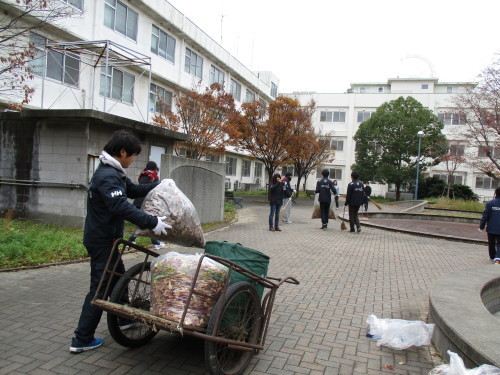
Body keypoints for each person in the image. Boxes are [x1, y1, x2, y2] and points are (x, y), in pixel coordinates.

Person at [70, 130, 171, 354]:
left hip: (109, 239)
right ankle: (82, 338)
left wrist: (160, 184)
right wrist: (151, 222)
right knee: (100, 287)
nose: (133, 159)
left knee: (119, 275)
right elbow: (120, 206)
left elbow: (133, 190)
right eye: (132, 155)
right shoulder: (107, 176)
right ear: (122, 151)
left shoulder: (114, 172)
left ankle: (123, 318)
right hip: (102, 241)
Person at [128, 161, 165, 250]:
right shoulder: (153, 177)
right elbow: (155, 190)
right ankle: (156, 243)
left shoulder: (143, 175)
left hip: (137, 201)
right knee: (149, 223)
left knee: (143, 224)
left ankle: (131, 240)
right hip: (146, 203)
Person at [479, 186, 500, 264]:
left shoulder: (490, 203)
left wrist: (481, 226)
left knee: (491, 243)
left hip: (491, 227)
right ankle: (498, 258)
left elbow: (485, 215)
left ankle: (492, 257)